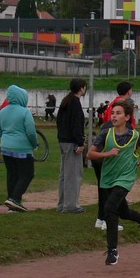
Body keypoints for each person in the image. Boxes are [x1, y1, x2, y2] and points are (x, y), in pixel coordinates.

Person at [87, 99, 140, 265]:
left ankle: (112, 251)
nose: (114, 116)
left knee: (109, 208)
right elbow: (90, 154)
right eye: (113, 113)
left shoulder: (134, 135)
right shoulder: (105, 134)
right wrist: (107, 154)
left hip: (126, 177)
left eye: (118, 113)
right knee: (123, 212)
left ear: (127, 117)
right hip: (109, 178)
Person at [94, 81, 136, 231]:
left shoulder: (111, 109)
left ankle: (101, 218)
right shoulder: (124, 113)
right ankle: (108, 220)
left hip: (101, 152)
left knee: (104, 187)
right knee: (112, 189)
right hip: (110, 154)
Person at [0, 84, 39, 212]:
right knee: (27, 174)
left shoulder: (2, 112)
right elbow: (31, 132)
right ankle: (14, 198)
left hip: (6, 148)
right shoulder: (25, 112)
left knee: (12, 174)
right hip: (22, 149)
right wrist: (34, 144)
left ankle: (12, 203)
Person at [55, 77, 87, 213]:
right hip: (71, 142)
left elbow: (59, 122)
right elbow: (76, 125)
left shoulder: (66, 101)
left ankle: (62, 204)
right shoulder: (75, 103)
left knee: (64, 174)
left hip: (63, 141)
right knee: (73, 175)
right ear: (81, 88)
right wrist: (80, 142)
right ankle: (71, 205)